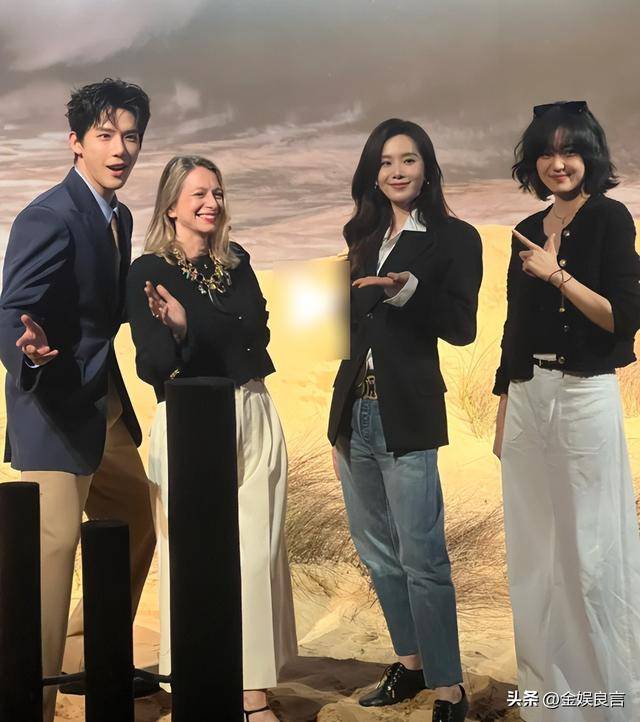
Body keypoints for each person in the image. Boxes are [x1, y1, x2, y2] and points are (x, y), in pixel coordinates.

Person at [0, 79, 156, 721]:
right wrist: (28, 351)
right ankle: (29, 702)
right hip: (54, 407)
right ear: (76, 142)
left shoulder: (119, 217)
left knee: (136, 519)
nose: (120, 149)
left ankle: (87, 660)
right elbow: (12, 308)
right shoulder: (48, 215)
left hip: (104, 405)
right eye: (105, 135)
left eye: (131, 137)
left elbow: (105, 313)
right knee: (52, 555)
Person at [126, 155, 297, 722]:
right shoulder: (148, 270)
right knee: (192, 556)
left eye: (217, 193)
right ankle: (199, 680)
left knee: (256, 552)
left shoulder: (236, 261)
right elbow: (153, 366)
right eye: (198, 193)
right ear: (171, 205)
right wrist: (180, 333)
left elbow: (258, 335)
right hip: (190, 422)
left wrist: (192, 325)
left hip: (253, 408)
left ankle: (251, 691)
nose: (211, 203)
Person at [327, 118, 482, 722]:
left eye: (409, 159)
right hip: (353, 413)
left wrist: (407, 291)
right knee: (377, 554)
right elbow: (342, 330)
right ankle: (411, 662)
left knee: (423, 557)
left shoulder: (455, 238)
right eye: (386, 161)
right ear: (373, 173)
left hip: (408, 414)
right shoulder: (361, 238)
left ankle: (448, 688)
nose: (397, 170)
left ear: (427, 168)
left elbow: (462, 327)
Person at [493, 100, 640, 721]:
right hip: (527, 396)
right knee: (533, 552)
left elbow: (623, 317)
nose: (558, 163)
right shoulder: (527, 226)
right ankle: (548, 702)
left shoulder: (610, 217)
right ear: (532, 161)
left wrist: (556, 276)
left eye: (570, 150)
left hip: (584, 395)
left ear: (590, 156)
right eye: (547, 152)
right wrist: (504, 404)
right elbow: (514, 328)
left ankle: (608, 701)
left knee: (592, 554)